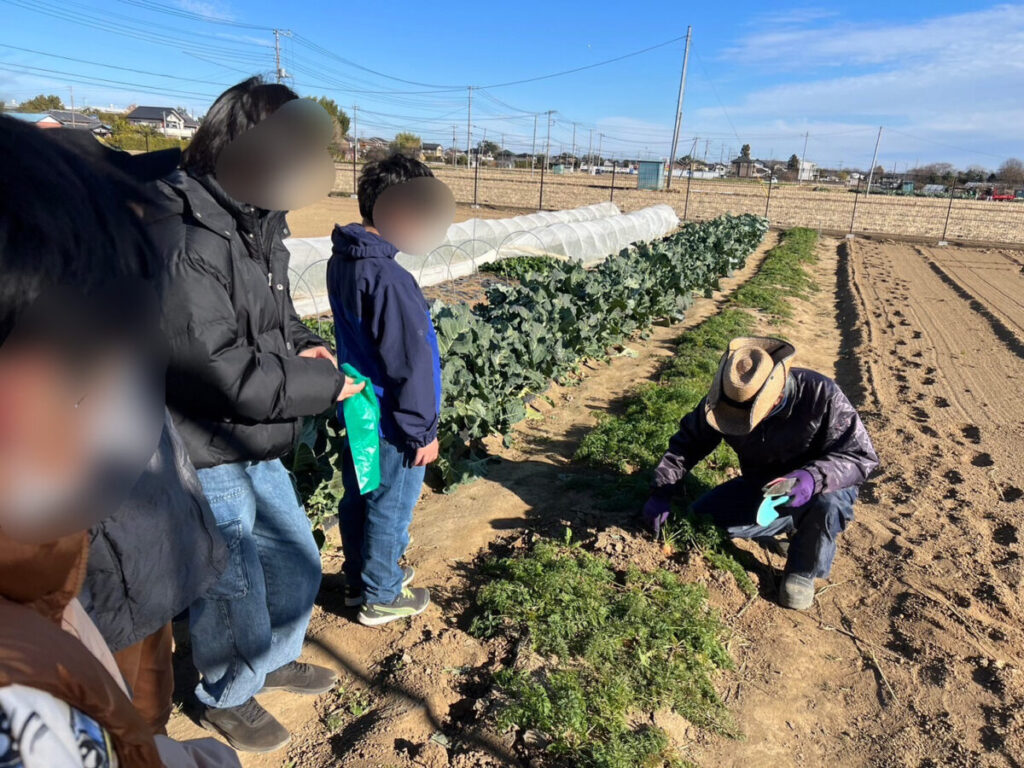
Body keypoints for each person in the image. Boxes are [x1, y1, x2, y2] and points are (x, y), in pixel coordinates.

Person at [0, 114, 240, 767]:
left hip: (148, 558)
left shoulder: (34, 576)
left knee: (142, 696)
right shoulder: (18, 717)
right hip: (114, 574)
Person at [145, 77, 362, 752]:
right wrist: (323, 388)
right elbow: (221, 370)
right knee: (230, 575)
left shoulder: (257, 218)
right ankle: (226, 693)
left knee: (294, 555)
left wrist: (306, 347)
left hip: (254, 433)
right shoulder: (184, 235)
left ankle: (265, 658)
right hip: (199, 437)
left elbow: (279, 319)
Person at [642, 337, 878, 610]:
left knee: (828, 505)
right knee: (702, 520)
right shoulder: (726, 399)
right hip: (762, 484)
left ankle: (803, 570)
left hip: (822, 486)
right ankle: (785, 523)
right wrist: (662, 490)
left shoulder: (821, 395)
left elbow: (861, 457)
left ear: (776, 396)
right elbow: (688, 443)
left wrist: (812, 478)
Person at [326, 153, 448, 627]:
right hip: (394, 419)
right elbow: (411, 365)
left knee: (362, 494)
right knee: (390, 504)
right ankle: (381, 594)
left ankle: (360, 579)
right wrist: (422, 432)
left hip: (358, 407)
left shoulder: (344, 260)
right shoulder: (391, 279)